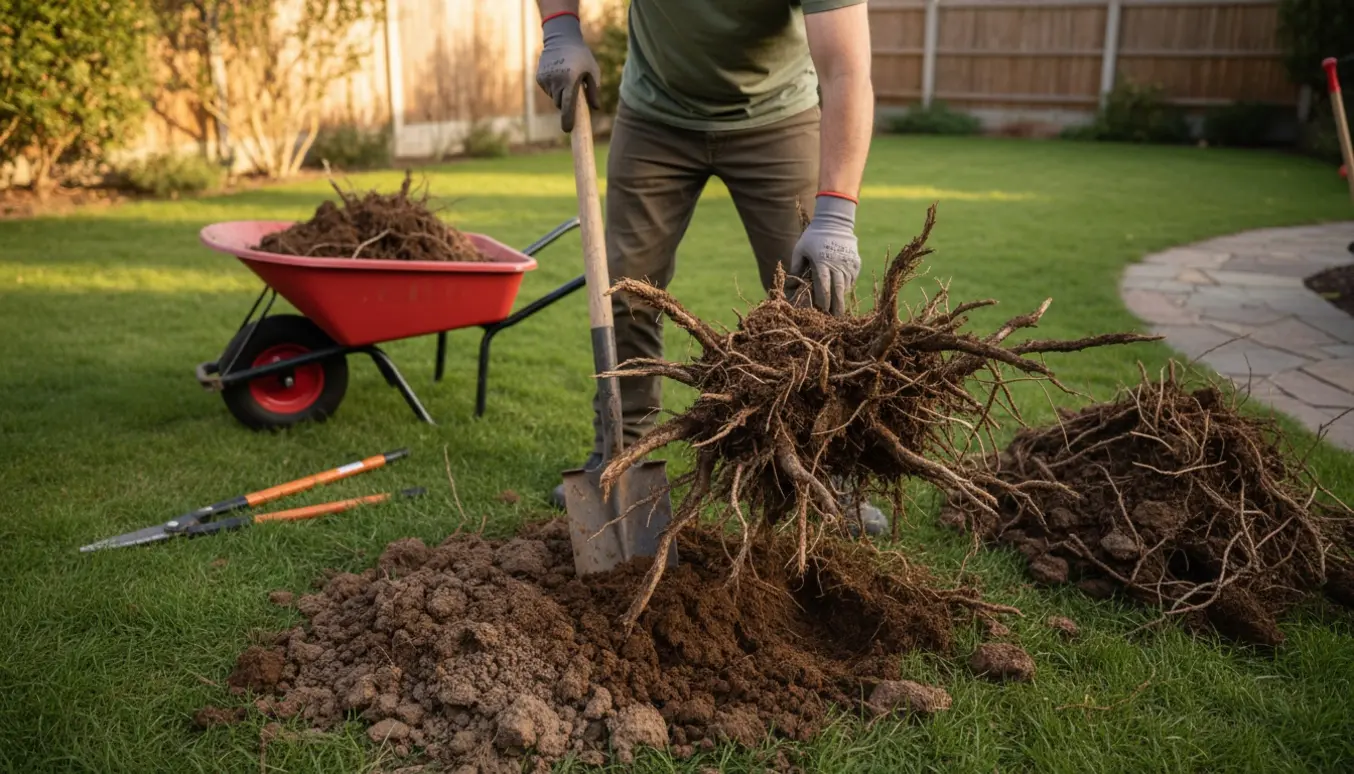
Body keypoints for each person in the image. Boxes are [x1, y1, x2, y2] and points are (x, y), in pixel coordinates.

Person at [534, 0, 887, 535]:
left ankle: (825, 470)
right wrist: (560, 29)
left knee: (814, 301)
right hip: (655, 116)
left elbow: (846, 68)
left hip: (777, 116)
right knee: (626, 292)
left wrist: (836, 214)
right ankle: (620, 455)